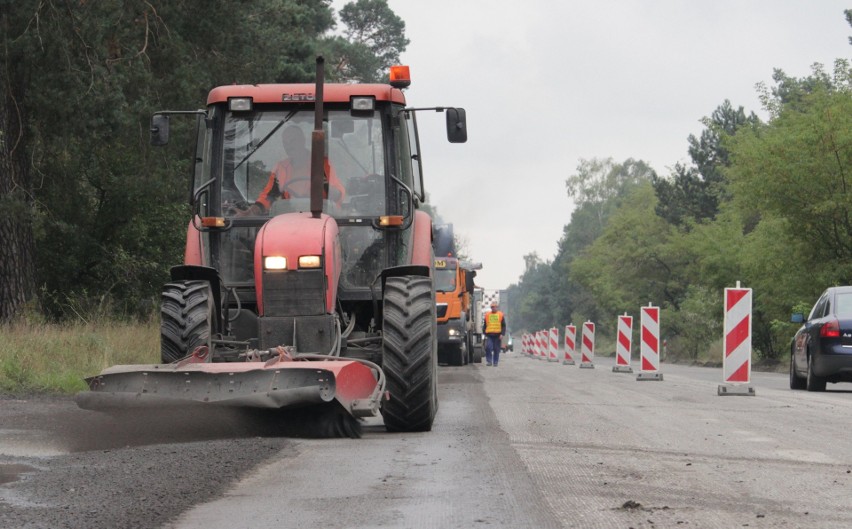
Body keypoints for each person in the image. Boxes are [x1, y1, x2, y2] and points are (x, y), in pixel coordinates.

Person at [241, 125, 345, 215]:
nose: (289, 146)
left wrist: (325, 186)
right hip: (290, 218)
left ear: (302, 141)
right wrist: (251, 212)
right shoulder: (280, 167)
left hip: (320, 218)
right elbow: (268, 197)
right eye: (286, 143)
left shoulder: (322, 164)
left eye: (293, 141)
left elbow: (338, 194)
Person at [483, 301, 507, 367]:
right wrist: (484, 333)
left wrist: (502, 334)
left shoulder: (500, 315)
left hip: (498, 335)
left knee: (496, 349)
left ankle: (495, 362)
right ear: (491, 308)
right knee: (488, 347)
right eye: (492, 307)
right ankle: (489, 361)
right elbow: (485, 325)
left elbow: (503, 326)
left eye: (495, 307)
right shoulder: (487, 315)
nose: (494, 308)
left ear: (497, 307)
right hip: (489, 335)